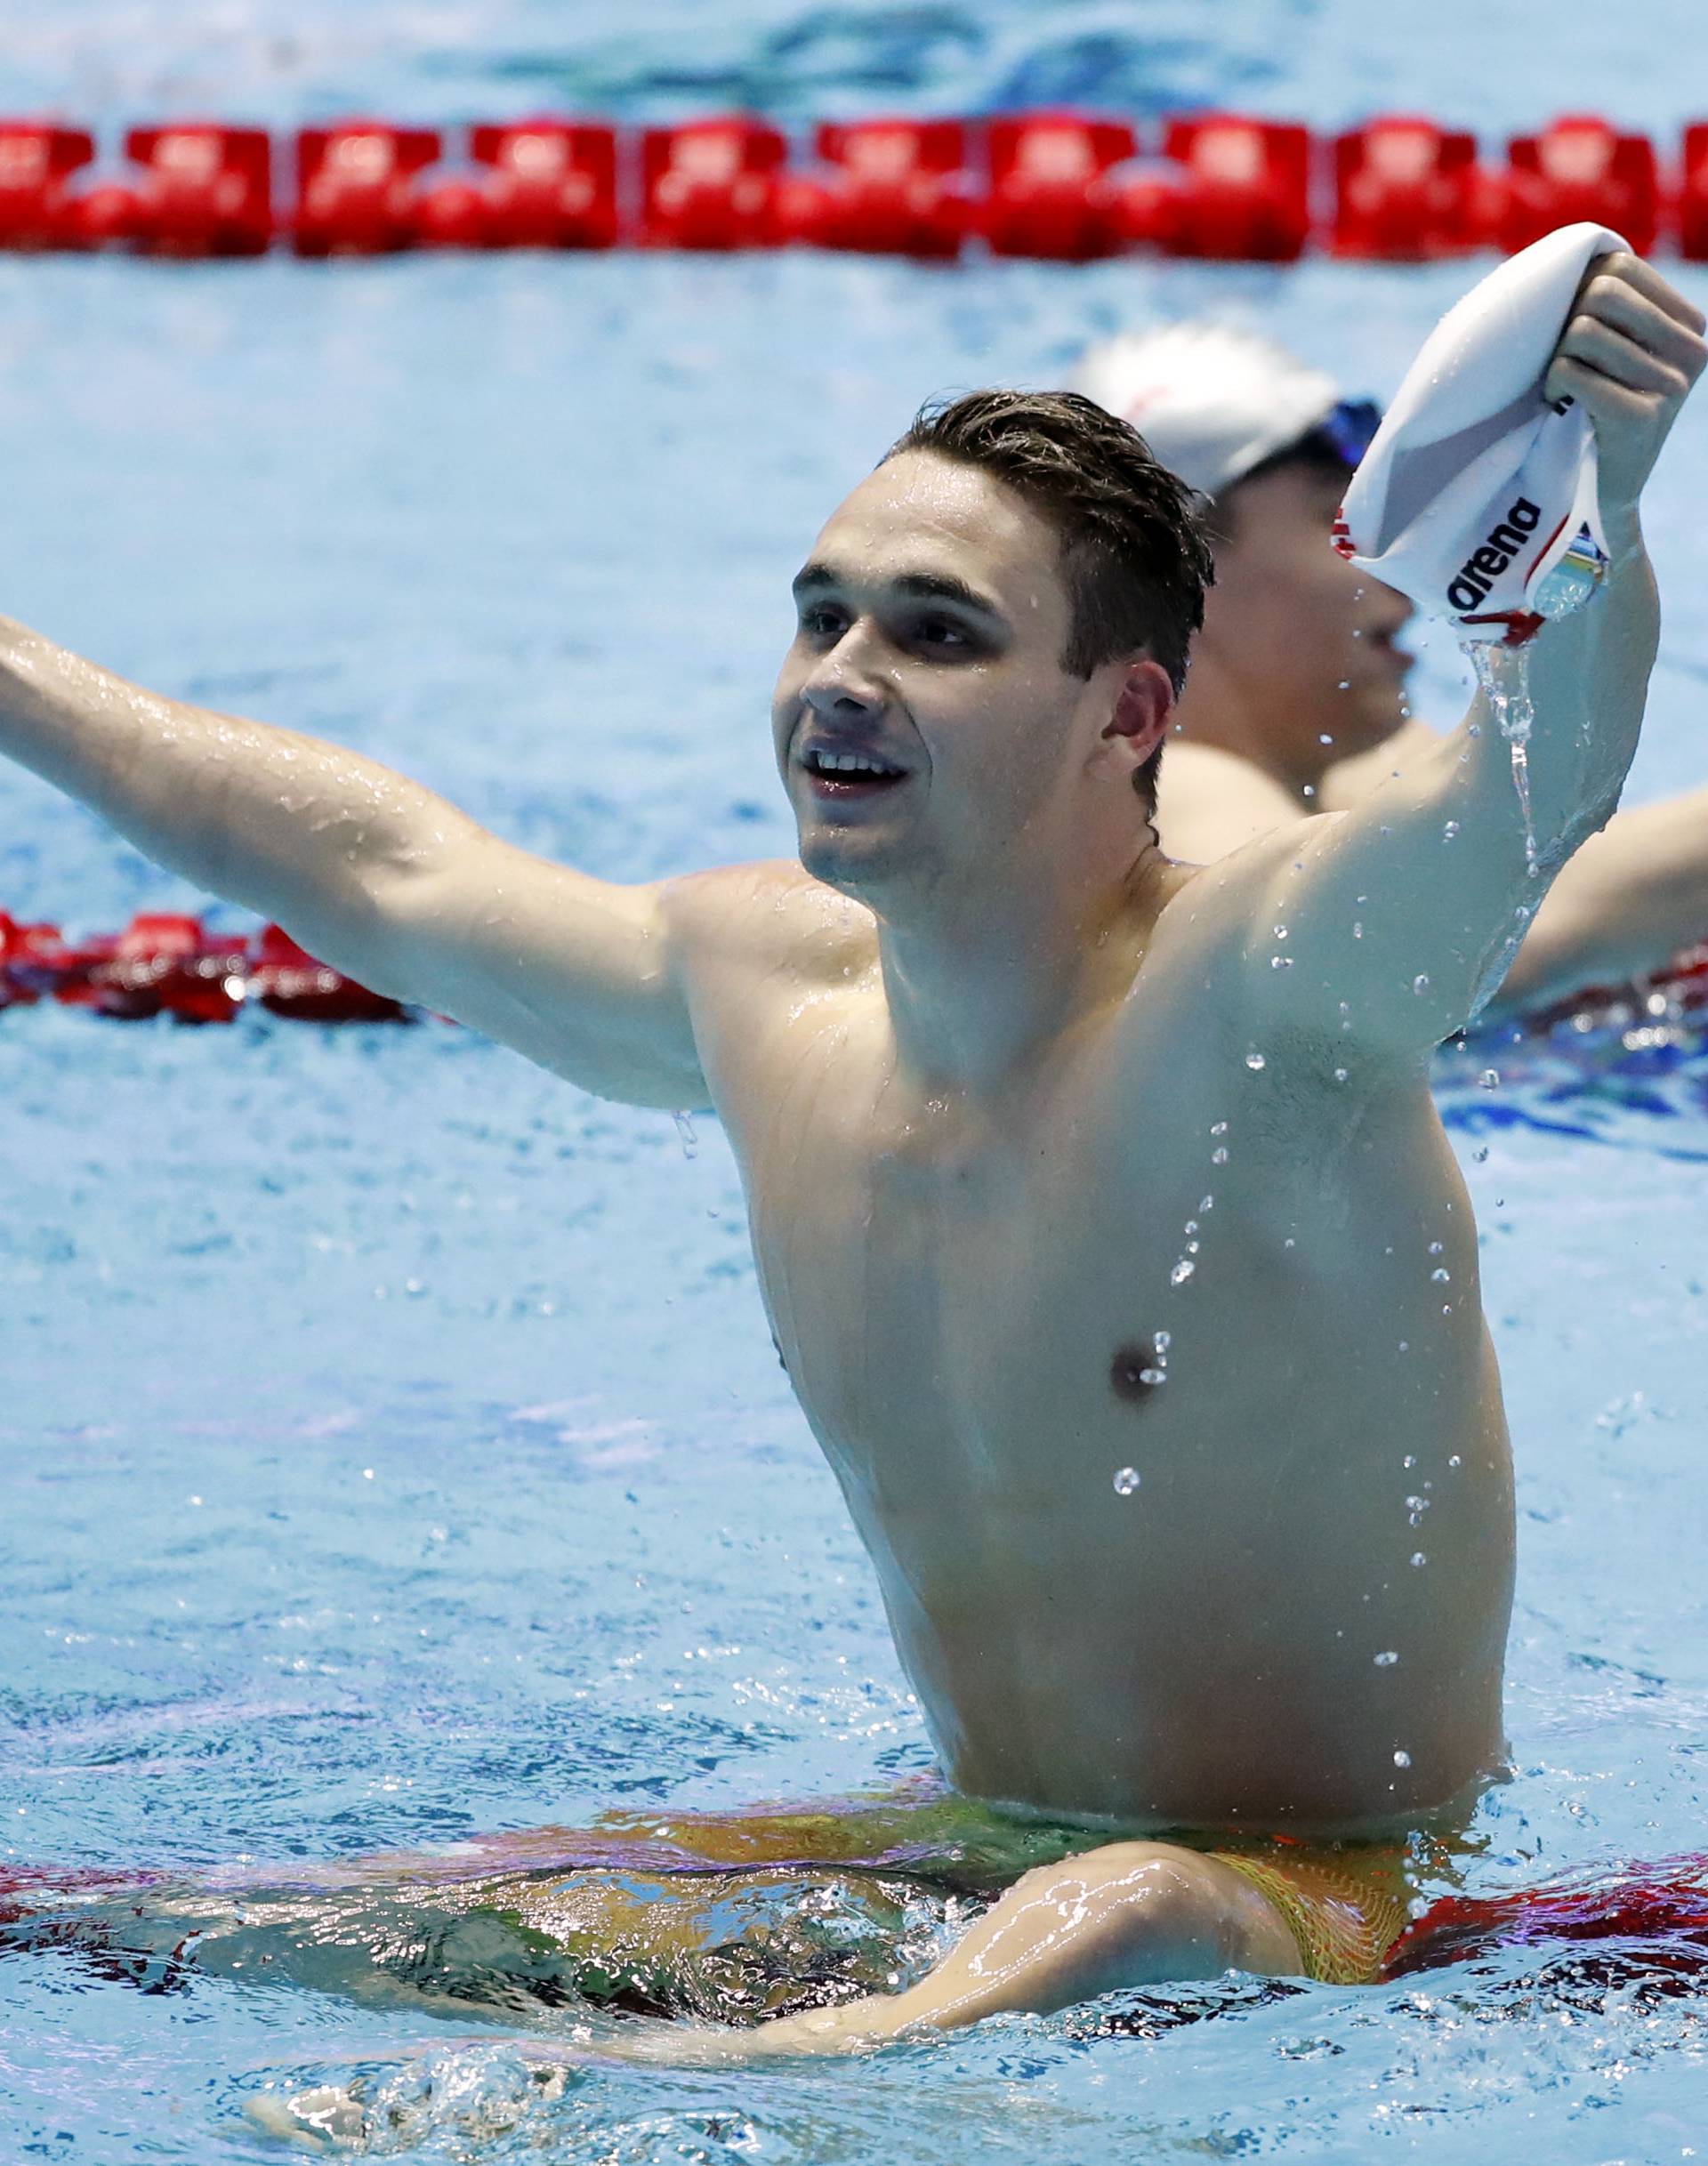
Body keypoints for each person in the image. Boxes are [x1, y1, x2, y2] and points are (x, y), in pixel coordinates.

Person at [0, 251, 1702, 2066]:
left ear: (1127, 713)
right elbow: (389, 873)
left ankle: (661, 2085)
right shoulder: (761, 995)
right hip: (972, 1847)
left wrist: (1589, 524)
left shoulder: (1257, 999)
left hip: (1342, 1881)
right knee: (265, 1912)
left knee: (1132, 1901)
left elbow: (1520, 796)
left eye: (937, 632)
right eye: (823, 616)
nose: (842, 679)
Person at [1077, 319, 1708, 1023]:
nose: (1405, 582)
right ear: (1188, 574)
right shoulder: (1184, 796)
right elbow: (1431, 953)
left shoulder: (1341, 770)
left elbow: (1547, 832)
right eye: (1339, 523)